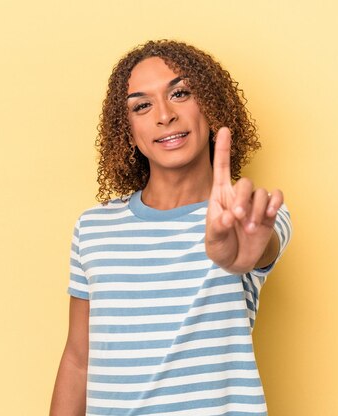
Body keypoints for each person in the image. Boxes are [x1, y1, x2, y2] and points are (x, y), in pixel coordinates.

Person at [49, 40, 292, 416]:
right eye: (141, 105)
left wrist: (242, 251)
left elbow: (262, 245)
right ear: (127, 132)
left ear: (210, 108)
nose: (164, 115)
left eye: (180, 93)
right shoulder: (94, 228)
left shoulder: (250, 215)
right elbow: (78, 360)